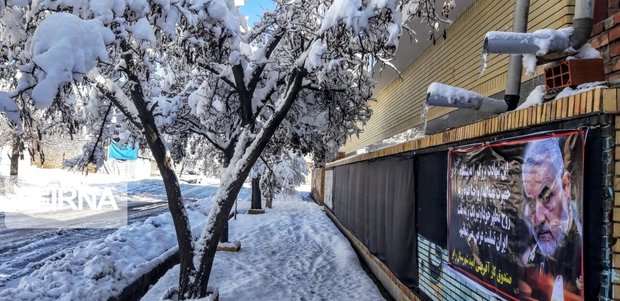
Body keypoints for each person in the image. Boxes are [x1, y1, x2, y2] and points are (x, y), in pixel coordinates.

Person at [518, 138, 582, 301]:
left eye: (546, 197)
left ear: (566, 187)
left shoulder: (584, 252)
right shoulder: (536, 254)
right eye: (530, 201)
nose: (537, 218)